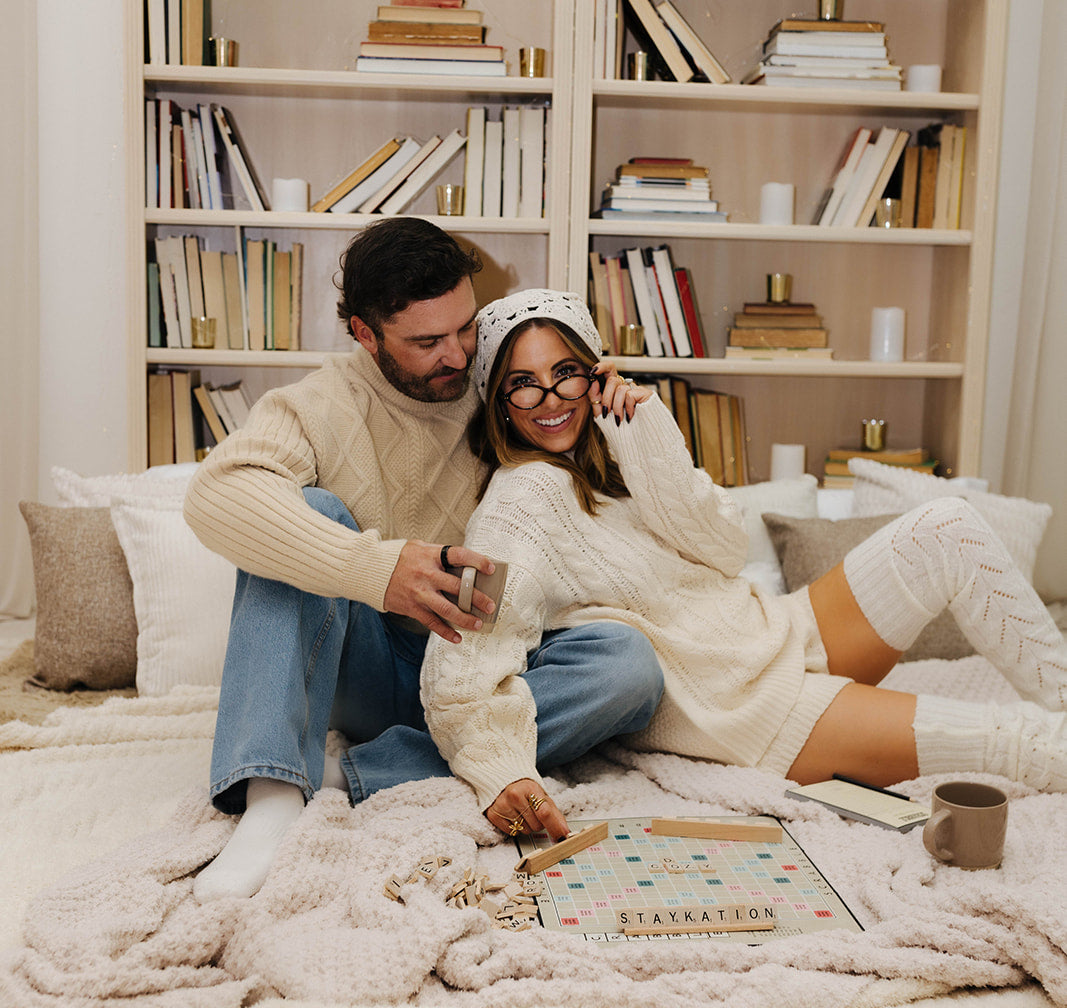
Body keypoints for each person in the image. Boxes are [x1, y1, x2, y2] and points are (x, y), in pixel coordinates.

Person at [420, 288, 1067, 842]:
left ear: (595, 373)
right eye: (521, 384)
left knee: (946, 526)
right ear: (498, 402)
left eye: (565, 371)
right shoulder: (516, 508)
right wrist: (499, 768)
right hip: (749, 709)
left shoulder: (617, 458)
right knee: (1024, 742)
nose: (549, 397)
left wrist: (642, 434)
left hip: (779, 632)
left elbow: (726, 548)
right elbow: (462, 670)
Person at [183, 224, 663, 901]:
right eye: (427, 342)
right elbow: (217, 497)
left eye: (465, 328)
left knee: (629, 665)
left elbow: (600, 504)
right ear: (364, 333)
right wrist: (376, 569)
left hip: (487, 667)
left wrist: (622, 417)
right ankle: (270, 795)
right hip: (373, 662)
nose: (459, 354)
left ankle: (353, 776)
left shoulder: (499, 380)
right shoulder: (318, 405)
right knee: (307, 513)